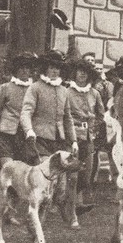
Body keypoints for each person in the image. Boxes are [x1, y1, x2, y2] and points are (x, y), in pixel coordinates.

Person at [20, 49, 78, 226]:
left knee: (61, 184)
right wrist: (29, 130)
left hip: (59, 141)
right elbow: (26, 112)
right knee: (45, 179)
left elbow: (67, 117)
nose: (54, 71)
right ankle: (36, 222)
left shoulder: (63, 91)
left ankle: (52, 213)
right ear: (45, 69)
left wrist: (74, 140)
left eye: (57, 68)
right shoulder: (35, 88)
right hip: (40, 140)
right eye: (51, 68)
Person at [0, 52, 36, 223]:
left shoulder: (34, 89)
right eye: (21, 68)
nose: (24, 72)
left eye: (27, 68)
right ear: (15, 70)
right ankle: (5, 210)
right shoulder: (5, 88)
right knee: (8, 169)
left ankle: (6, 207)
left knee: (18, 173)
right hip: (5, 134)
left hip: (24, 135)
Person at [65, 58, 106, 224]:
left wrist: (94, 128)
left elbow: (101, 115)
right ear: (75, 73)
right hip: (71, 135)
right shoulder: (67, 92)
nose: (82, 75)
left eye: (85, 72)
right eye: (79, 71)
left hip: (87, 137)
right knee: (72, 175)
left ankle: (74, 202)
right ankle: (73, 208)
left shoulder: (94, 94)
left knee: (86, 174)